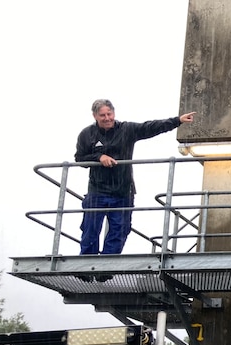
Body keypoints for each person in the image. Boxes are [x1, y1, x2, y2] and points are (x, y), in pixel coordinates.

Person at [75, 99, 195, 255]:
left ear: (114, 113)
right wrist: (98, 157)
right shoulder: (87, 135)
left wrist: (177, 121)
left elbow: (151, 127)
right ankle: (86, 265)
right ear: (95, 116)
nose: (107, 118)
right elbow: (80, 160)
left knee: (120, 230)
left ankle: (107, 264)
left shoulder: (126, 130)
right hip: (97, 191)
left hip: (123, 191)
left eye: (109, 114)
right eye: (102, 115)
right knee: (90, 228)